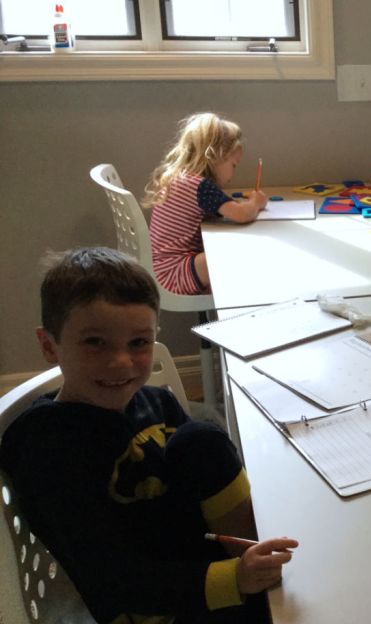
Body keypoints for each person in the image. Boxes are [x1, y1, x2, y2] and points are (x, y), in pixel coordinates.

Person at [0, 247, 298, 623]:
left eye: (138, 342)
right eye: (95, 342)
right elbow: (109, 577)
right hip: (154, 605)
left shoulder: (155, 402)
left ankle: (261, 552)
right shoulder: (47, 447)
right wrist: (234, 580)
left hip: (209, 566)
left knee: (202, 440)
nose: (121, 362)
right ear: (49, 346)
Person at [145, 112, 267, 296]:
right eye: (233, 165)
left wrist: (238, 206)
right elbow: (242, 214)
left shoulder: (182, 178)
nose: (233, 173)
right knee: (231, 252)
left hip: (161, 268)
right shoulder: (200, 187)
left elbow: (228, 210)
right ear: (217, 156)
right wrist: (256, 202)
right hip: (174, 272)